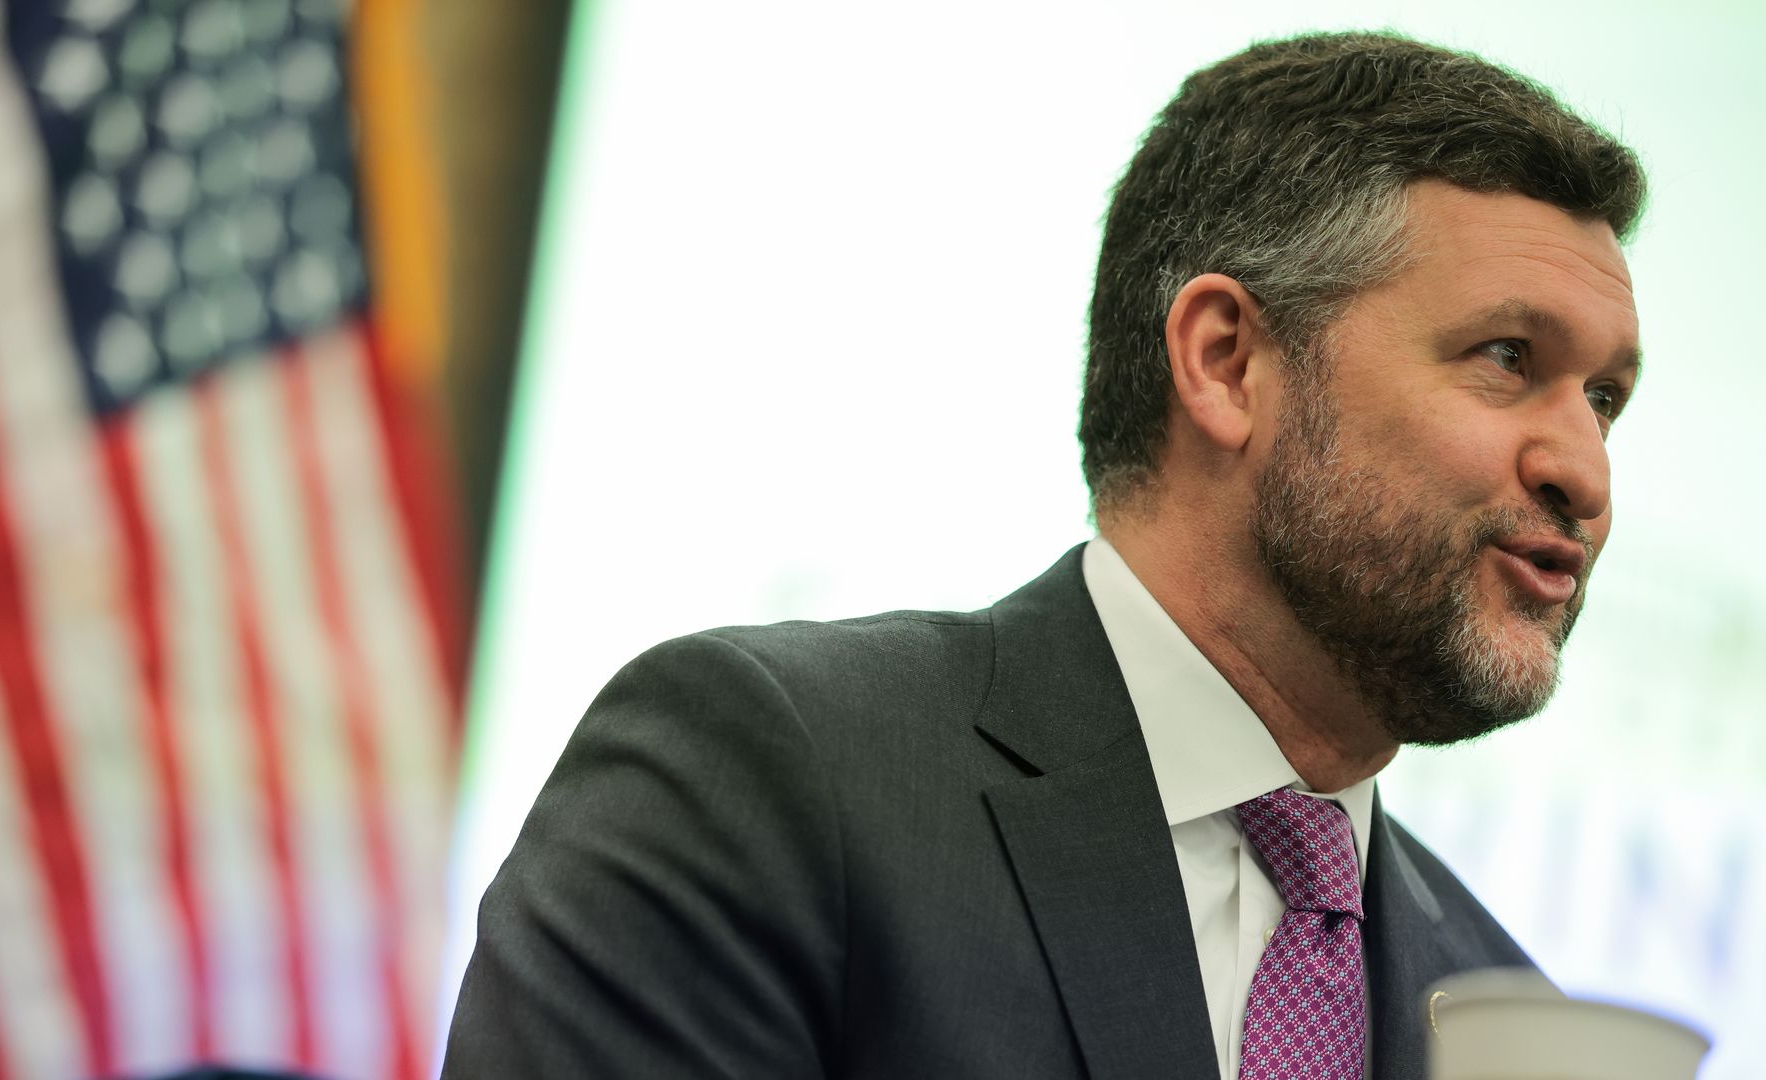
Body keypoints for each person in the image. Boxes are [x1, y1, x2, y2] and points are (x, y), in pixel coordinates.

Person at [442, 30, 1644, 1080]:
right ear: (1226, 362)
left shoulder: (1502, 1014)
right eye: (1505, 357)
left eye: (1604, 399)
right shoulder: (771, 780)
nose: (1584, 471)